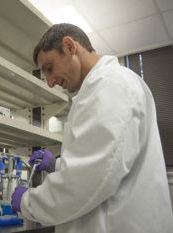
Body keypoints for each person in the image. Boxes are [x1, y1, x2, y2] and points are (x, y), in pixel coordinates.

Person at [11, 23, 173, 233]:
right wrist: (56, 165)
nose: (50, 82)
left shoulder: (110, 84)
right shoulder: (104, 86)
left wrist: (27, 202)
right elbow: (103, 162)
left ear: (69, 46)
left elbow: (86, 181)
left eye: (49, 68)